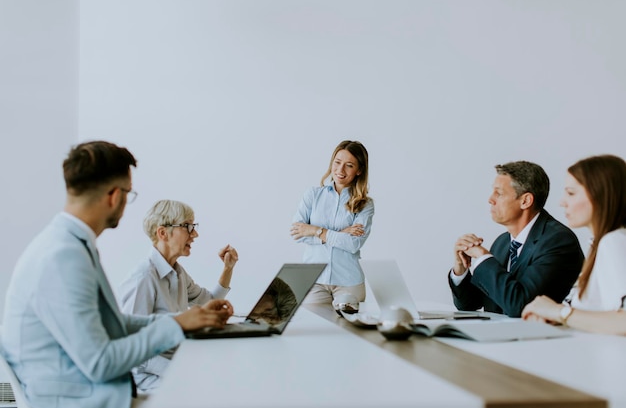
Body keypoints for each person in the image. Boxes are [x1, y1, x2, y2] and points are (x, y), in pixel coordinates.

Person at [1, 141, 233, 408]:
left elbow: (113, 325)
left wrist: (183, 319)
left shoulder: (70, 243)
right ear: (114, 196)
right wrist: (177, 325)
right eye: (128, 194)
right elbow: (100, 363)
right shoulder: (64, 256)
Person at [118, 199, 239, 391]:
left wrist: (228, 269)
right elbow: (134, 349)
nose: (195, 234)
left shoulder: (178, 272)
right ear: (163, 233)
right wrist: (183, 372)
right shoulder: (144, 278)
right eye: (188, 227)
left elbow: (209, 302)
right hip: (148, 379)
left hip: (178, 364)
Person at [449, 161, 585, 317]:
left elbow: (520, 305)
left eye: (498, 193)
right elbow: (469, 304)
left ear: (525, 201)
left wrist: (483, 258)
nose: (490, 199)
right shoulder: (502, 242)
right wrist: (460, 269)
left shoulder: (557, 241)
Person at [522, 155, 626, 335]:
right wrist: (551, 315)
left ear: (600, 195)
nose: (562, 202)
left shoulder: (614, 241)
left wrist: (559, 312)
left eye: (571, 193)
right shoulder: (598, 244)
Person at [290, 140, 374, 305]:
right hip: (314, 280)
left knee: (348, 329)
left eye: (349, 165)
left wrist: (314, 230)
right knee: (314, 329)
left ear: (359, 170)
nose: (340, 170)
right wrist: (340, 234)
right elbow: (297, 233)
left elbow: (353, 244)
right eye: (337, 162)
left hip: (349, 282)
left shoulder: (365, 204)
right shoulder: (313, 195)